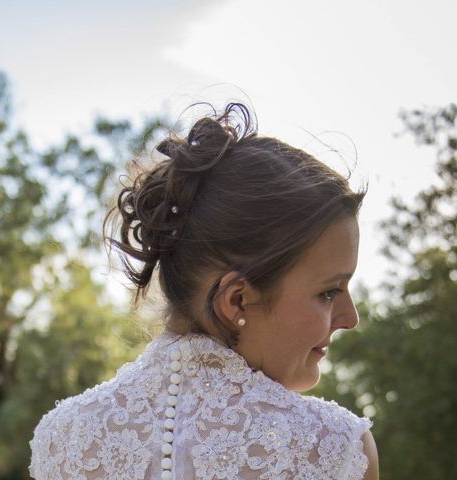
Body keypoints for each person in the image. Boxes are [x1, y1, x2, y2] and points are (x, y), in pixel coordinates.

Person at [28, 103, 379, 479]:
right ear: (237, 300)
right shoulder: (337, 450)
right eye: (328, 292)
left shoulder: (61, 438)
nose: (350, 318)